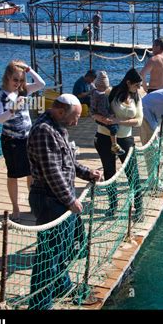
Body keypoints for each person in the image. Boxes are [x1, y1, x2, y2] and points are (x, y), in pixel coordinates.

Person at [27, 94, 102, 310]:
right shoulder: (44, 131)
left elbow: (68, 162)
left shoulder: (58, 127)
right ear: (60, 111)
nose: (77, 122)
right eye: (75, 117)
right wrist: (70, 200)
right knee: (49, 256)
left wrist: (88, 173)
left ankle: (62, 287)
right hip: (50, 200)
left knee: (63, 249)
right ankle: (40, 304)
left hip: (58, 198)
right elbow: (52, 172)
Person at [0, 60, 45, 222]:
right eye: (15, 79)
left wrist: (28, 69)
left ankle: (32, 203)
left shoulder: (23, 90)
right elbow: (0, 119)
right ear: (7, 77)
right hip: (11, 140)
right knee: (13, 174)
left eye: (21, 80)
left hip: (27, 138)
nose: (18, 83)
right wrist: (13, 108)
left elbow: (41, 83)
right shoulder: (0, 94)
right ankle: (15, 208)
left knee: (31, 173)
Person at [93, 68, 144, 221]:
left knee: (132, 173)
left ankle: (139, 207)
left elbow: (139, 120)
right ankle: (113, 205)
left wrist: (118, 121)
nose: (139, 88)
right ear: (128, 82)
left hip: (125, 139)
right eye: (137, 85)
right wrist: (103, 120)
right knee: (109, 172)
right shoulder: (111, 92)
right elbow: (94, 112)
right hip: (104, 137)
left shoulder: (137, 97)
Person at [90, 71, 125, 156]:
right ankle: (114, 145)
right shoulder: (102, 96)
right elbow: (102, 109)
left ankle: (113, 144)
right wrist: (109, 115)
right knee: (114, 127)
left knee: (113, 126)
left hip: (94, 113)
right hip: (102, 115)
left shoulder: (94, 92)